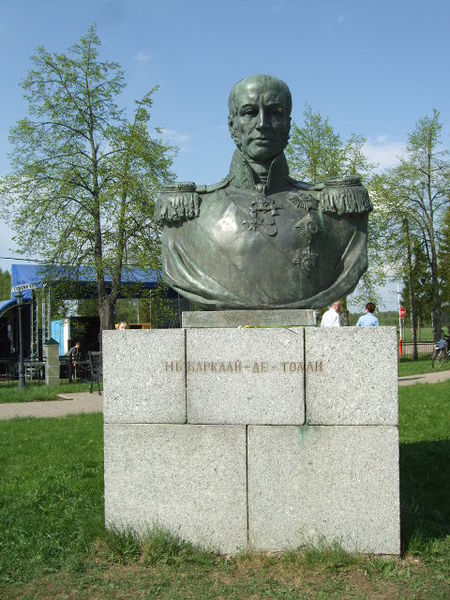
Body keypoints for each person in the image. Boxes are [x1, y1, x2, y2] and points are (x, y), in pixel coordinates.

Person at [156, 75, 372, 310]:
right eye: (249, 112)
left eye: (275, 112)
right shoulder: (189, 214)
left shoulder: (333, 209)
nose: (262, 123)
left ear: (288, 123)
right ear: (232, 125)